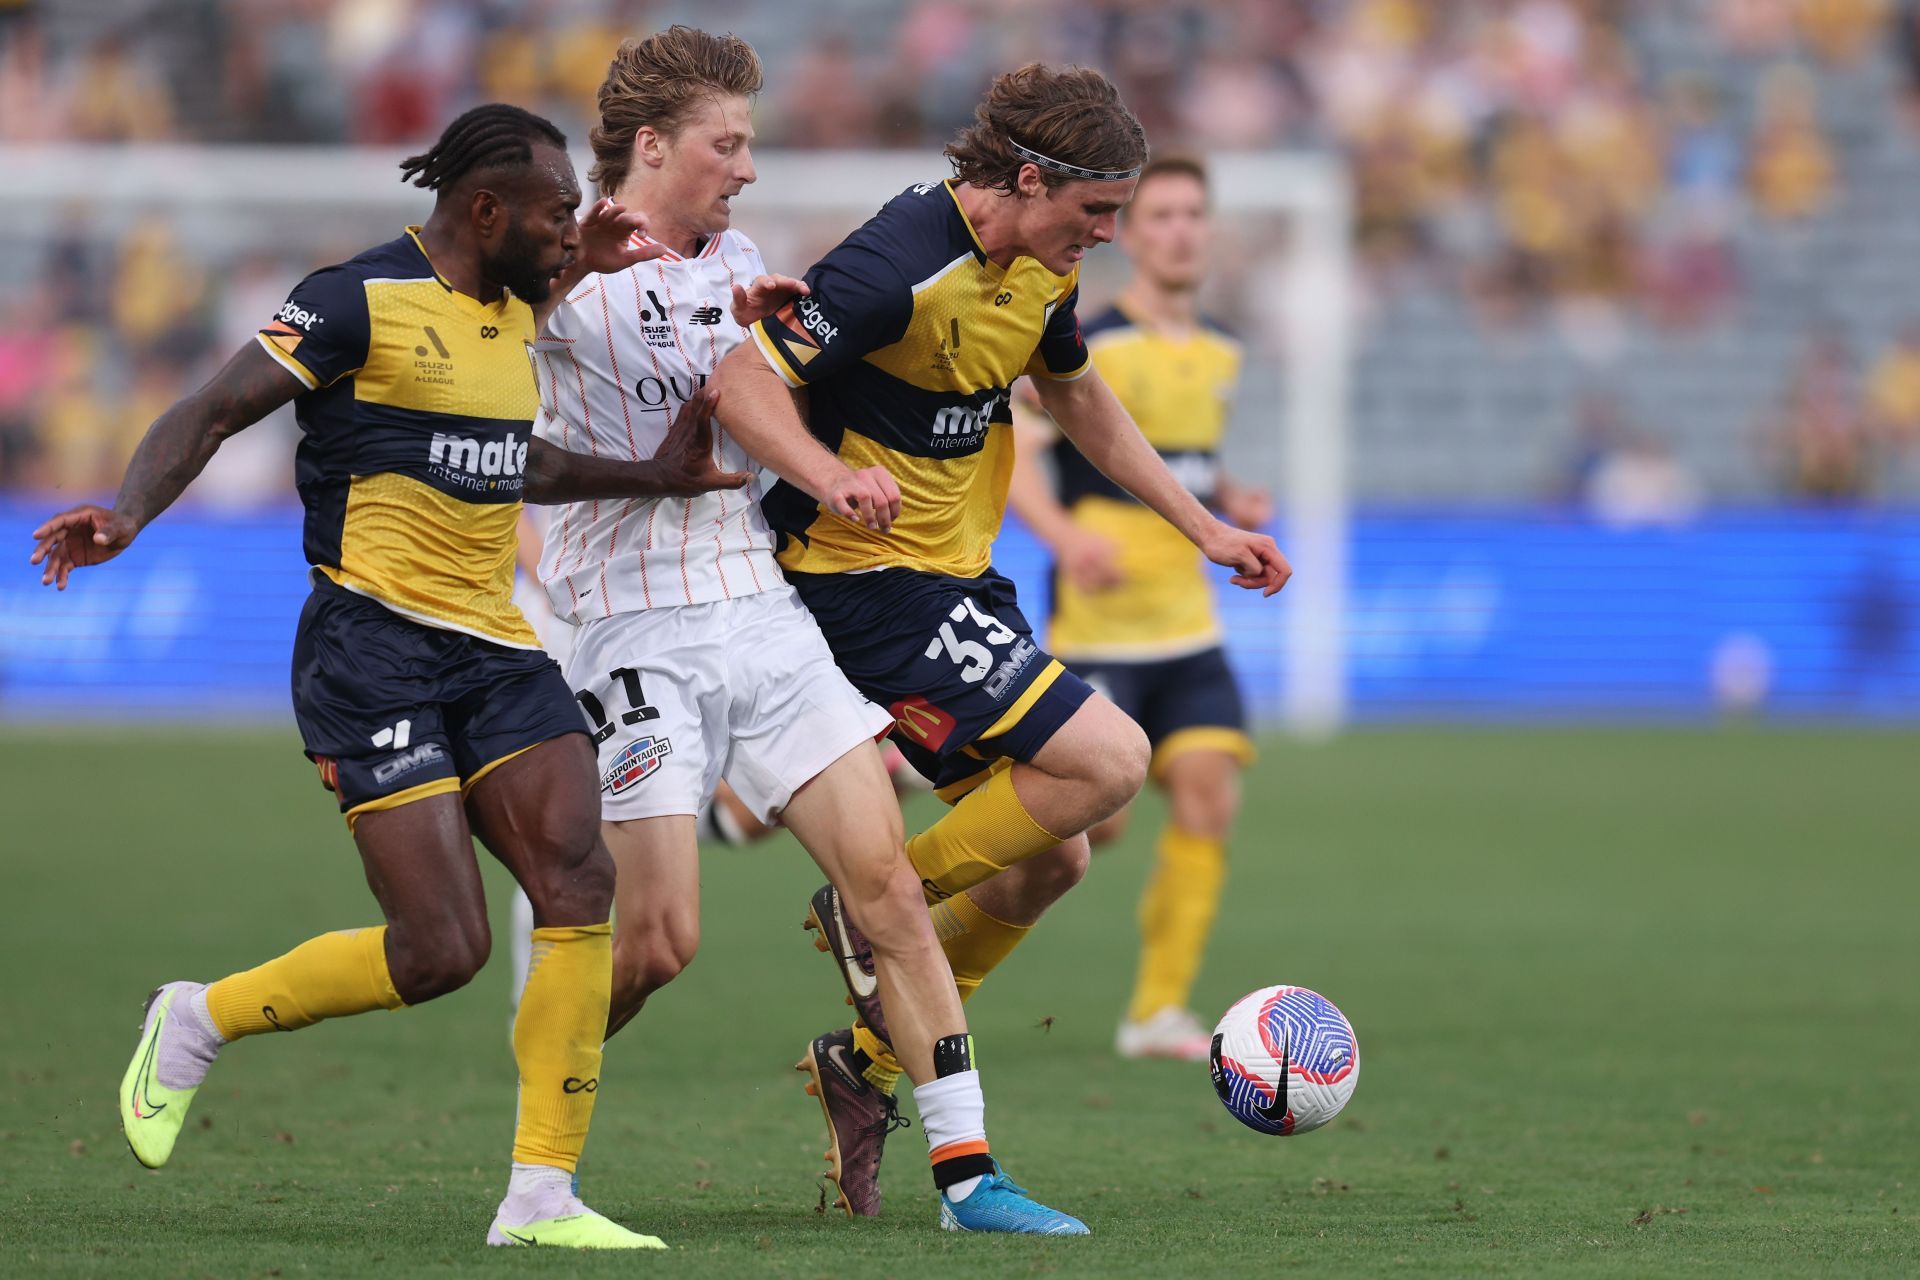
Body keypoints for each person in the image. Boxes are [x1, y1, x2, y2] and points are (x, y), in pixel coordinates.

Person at [30, 104, 744, 1250]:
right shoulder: (350, 299)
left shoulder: (515, 312)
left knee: (578, 880)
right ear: (484, 209)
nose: (574, 230)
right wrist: (125, 513)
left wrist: (656, 475)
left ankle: (541, 1196)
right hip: (371, 648)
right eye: (558, 214)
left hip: (498, 648)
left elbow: (521, 458)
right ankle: (196, 1016)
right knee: (443, 950)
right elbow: (211, 410)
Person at [516, 27, 1085, 1235]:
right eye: (730, 144)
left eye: (750, 144)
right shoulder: (555, 261)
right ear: (655, 144)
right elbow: (494, 345)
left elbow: (744, 380)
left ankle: (970, 1175)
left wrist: (798, 406)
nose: (748, 168)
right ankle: (545, 1070)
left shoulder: (735, 255)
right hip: (630, 631)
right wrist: (565, 273)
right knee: (661, 937)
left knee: (883, 881)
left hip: (758, 607)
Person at [708, 64, 1291, 1215]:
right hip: (860, 582)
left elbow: (1075, 396)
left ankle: (865, 1061)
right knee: (1111, 762)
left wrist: (1202, 526)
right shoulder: (893, 264)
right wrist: (827, 473)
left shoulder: (1038, 267)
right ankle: (878, 903)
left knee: (1050, 856)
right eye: (1097, 211)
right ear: (1028, 180)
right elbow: (740, 379)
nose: (1109, 235)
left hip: (956, 578)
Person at [1006, 156, 1265, 1061]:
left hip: (1188, 628)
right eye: (1161, 215)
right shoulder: (1091, 341)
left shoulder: (1225, 350)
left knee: (1208, 795)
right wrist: (1062, 537)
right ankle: (940, 765)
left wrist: (1234, 497)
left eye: (1196, 213)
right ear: (1133, 231)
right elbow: (1019, 450)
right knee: (1097, 821)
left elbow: (1183, 463)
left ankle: (1157, 1012)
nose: (1181, 230)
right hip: (1100, 629)